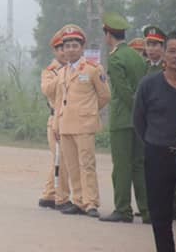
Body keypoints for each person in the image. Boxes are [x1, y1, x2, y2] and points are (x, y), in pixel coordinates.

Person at [134, 31, 176, 252]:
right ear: (164, 55)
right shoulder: (149, 85)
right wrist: (155, 141)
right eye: (172, 51)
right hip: (157, 156)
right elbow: (139, 121)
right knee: (160, 214)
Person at [53, 24, 111, 218]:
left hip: (85, 125)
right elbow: (59, 101)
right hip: (66, 124)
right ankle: (78, 201)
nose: (70, 49)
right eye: (67, 45)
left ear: (82, 47)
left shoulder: (94, 69)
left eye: (74, 45)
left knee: (87, 164)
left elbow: (104, 96)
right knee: (72, 165)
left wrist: (90, 112)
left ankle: (91, 202)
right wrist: (56, 124)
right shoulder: (62, 72)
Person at [99, 12, 150, 224]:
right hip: (140, 122)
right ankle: (148, 211)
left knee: (121, 166)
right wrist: (142, 115)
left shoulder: (115, 58)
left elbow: (122, 91)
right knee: (139, 165)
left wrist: (135, 110)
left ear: (108, 34)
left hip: (122, 121)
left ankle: (123, 209)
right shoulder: (138, 57)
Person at [39, 29, 71, 210]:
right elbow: (47, 90)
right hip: (55, 119)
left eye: (66, 48)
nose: (64, 53)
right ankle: (59, 197)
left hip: (72, 118)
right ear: (55, 52)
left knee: (60, 159)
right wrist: (62, 75)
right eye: (60, 49)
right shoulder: (50, 71)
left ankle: (49, 195)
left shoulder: (77, 69)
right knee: (61, 159)